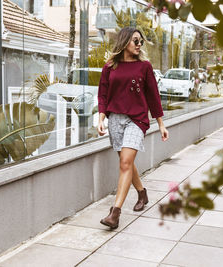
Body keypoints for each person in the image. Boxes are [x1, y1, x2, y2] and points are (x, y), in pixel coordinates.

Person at [97, 27, 169, 229]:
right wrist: (101, 118)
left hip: (136, 120)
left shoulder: (144, 67)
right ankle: (142, 193)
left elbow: (153, 97)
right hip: (115, 120)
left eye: (141, 42)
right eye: (135, 41)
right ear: (124, 42)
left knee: (125, 163)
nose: (139, 45)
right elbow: (102, 94)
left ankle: (115, 213)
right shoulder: (110, 67)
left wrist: (161, 124)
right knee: (125, 162)